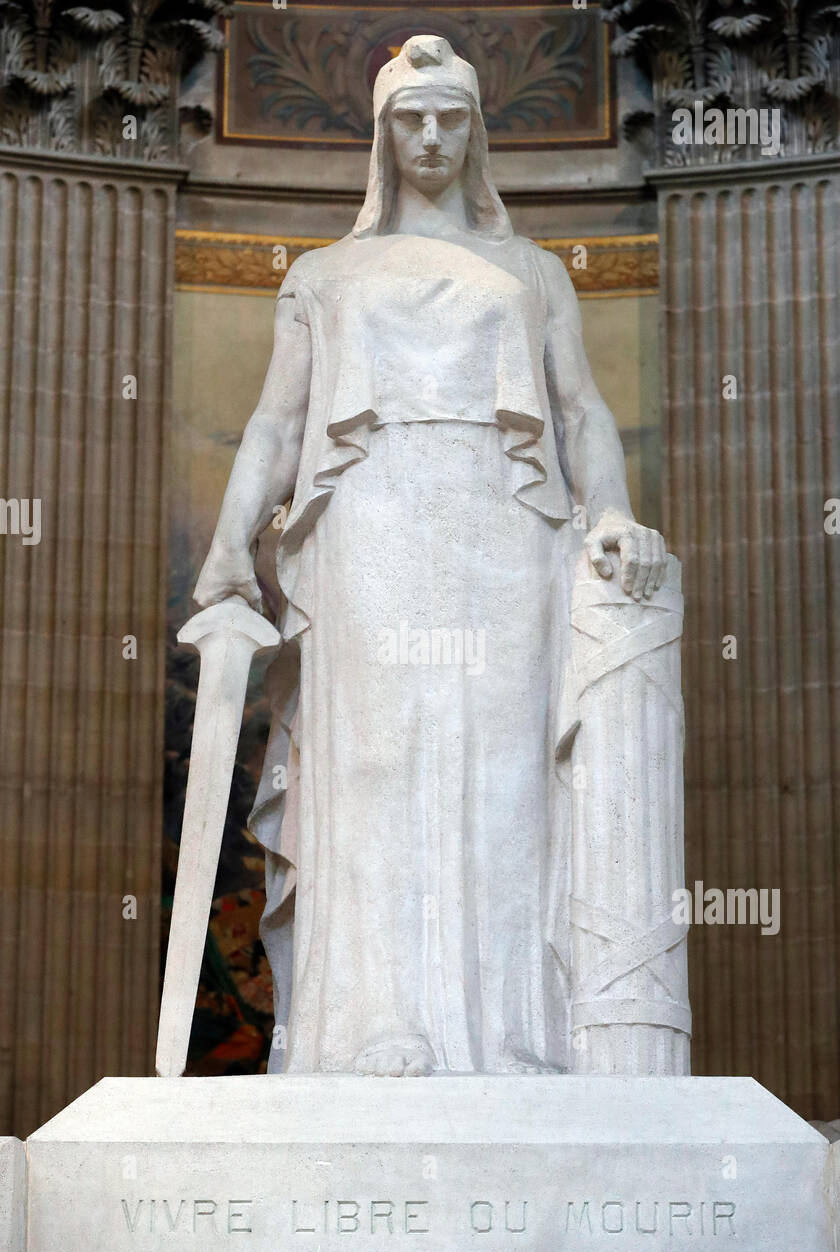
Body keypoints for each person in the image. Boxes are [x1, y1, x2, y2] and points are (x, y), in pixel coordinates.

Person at [193, 35, 666, 1076]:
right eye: (410, 119)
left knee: (504, 774)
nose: (431, 137)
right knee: (372, 763)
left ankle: (510, 1031)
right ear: (380, 135)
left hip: (507, 524)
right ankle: (369, 1023)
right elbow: (275, 428)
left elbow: (581, 412)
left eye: (451, 117)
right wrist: (230, 542)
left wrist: (612, 512)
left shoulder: (533, 272)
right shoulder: (324, 276)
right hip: (367, 521)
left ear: (477, 130)